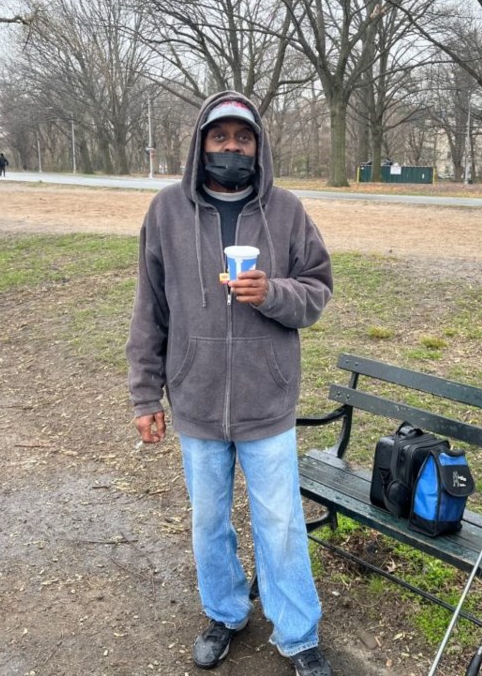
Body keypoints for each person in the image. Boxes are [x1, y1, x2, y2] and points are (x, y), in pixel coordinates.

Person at [126, 92, 335, 676]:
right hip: (194, 400)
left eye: (242, 139)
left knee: (281, 523)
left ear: (258, 147)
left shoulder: (288, 211)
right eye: (220, 139)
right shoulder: (166, 211)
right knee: (208, 521)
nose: (231, 149)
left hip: (266, 402)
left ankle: (298, 635)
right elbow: (150, 310)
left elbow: (317, 293)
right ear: (202, 145)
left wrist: (272, 293)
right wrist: (146, 394)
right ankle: (224, 612)